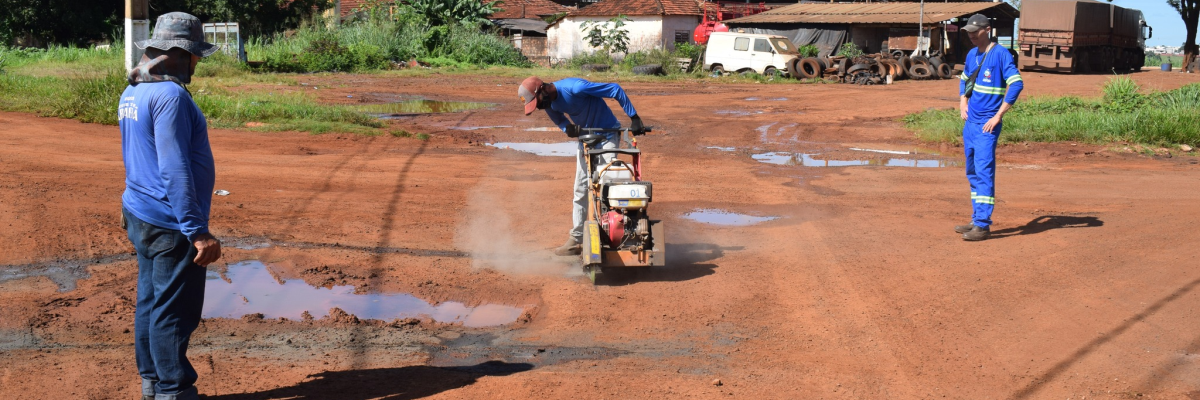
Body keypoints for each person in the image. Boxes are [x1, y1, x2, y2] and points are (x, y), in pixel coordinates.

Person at [118, 12, 221, 400]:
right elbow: (174, 168)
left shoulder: (133, 92)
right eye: (195, 55)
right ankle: (174, 391)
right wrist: (197, 231)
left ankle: (153, 383)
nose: (197, 63)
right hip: (170, 222)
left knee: (151, 301)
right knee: (174, 311)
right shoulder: (170, 96)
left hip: (139, 212)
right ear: (179, 54)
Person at [517, 76, 645, 255]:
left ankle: (619, 231)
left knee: (608, 185)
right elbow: (560, 120)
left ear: (542, 90)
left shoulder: (575, 88)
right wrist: (567, 128)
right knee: (580, 189)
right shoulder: (550, 104)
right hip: (586, 140)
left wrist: (634, 117)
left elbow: (614, 89)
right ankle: (576, 239)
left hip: (607, 135)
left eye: (536, 102)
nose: (538, 107)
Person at [955, 13, 1024, 241]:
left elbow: (1016, 84)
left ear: (987, 29)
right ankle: (976, 219)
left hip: (987, 126)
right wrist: (963, 102)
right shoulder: (972, 54)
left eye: (975, 31)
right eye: (969, 32)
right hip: (971, 124)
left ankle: (983, 226)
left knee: (984, 173)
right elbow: (964, 79)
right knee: (972, 172)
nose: (972, 35)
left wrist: (998, 116)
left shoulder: (1001, 54)